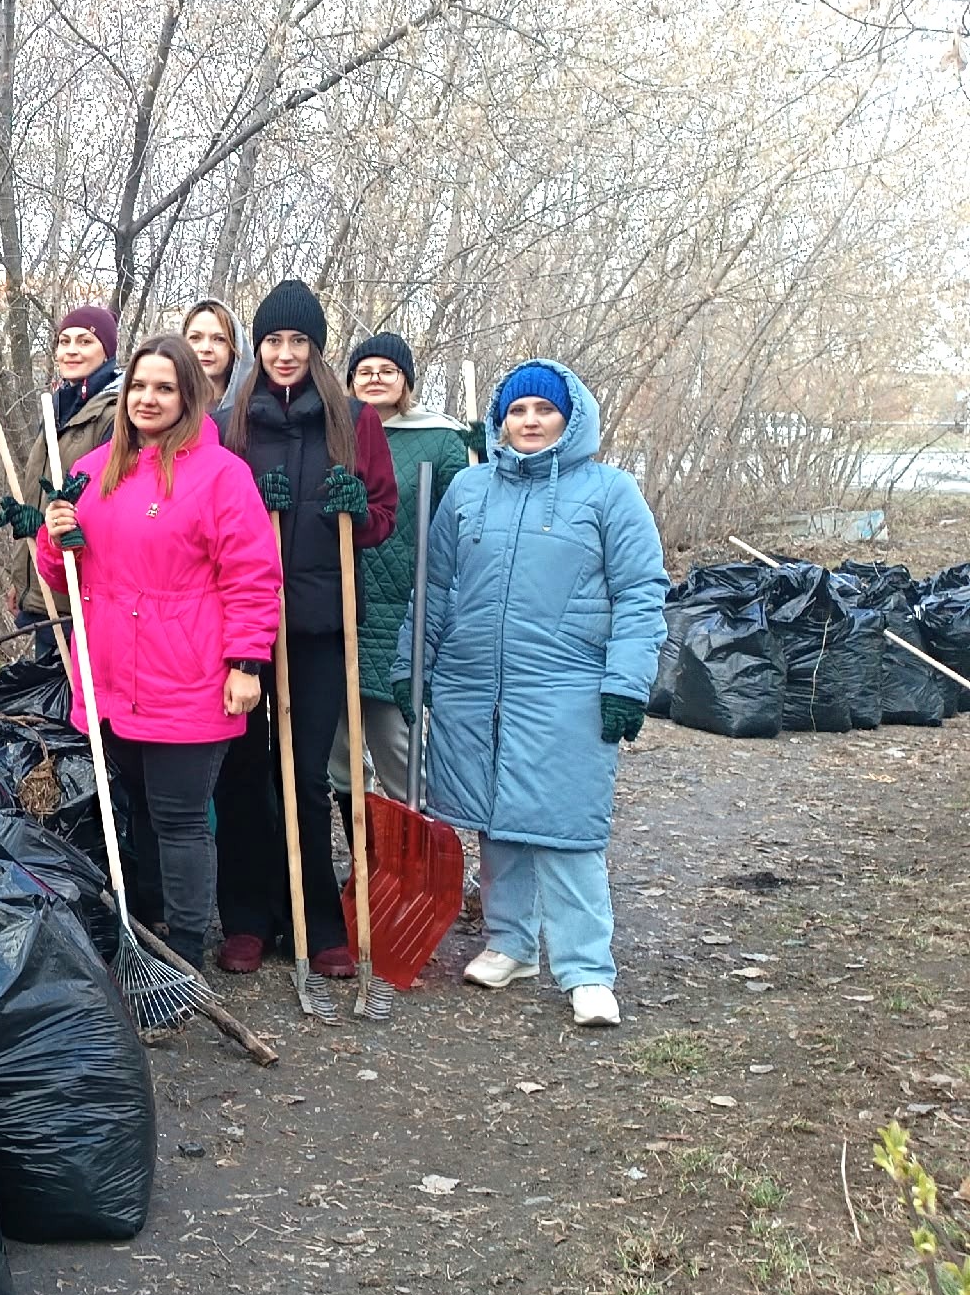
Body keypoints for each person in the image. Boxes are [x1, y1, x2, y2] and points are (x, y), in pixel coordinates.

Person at [399, 361, 663, 1027]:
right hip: (474, 682)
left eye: (544, 410)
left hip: (565, 682)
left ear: (571, 419)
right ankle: (511, 942)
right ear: (500, 421)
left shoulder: (609, 492)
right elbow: (436, 587)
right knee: (495, 820)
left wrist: (625, 683)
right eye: (517, 412)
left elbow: (639, 593)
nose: (530, 422)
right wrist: (414, 666)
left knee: (567, 828)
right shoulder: (468, 491)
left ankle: (587, 969)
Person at [38, 337, 279, 969]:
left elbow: (252, 575)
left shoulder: (222, 475)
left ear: (188, 397)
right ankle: (146, 939)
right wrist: (53, 535)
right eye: (140, 386)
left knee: (180, 820)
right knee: (140, 814)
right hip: (114, 673)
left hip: (188, 674)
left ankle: (186, 954)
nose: (148, 398)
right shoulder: (94, 470)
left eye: (164, 388)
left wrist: (247, 663)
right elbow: (62, 575)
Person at [215, 277, 397, 978]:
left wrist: (353, 509)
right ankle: (248, 918)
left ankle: (319, 922)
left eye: (299, 341)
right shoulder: (232, 423)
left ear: (317, 349)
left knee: (306, 777)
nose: (285, 353)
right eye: (273, 341)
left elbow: (382, 516)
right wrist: (249, 505)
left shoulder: (353, 421)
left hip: (321, 625)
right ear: (257, 348)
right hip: (244, 628)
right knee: (243, 773)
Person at [336, 331, 471, 800]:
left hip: (402, 612)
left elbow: (466, 516)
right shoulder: (336, 434)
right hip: (340, 604)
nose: (375, 379)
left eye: (387, 371)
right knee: (338, 758)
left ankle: (421, 852)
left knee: (398, 747)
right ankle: (371, 862)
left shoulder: (440, 439)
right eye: (365, 371)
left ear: (405, 380)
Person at [0, 306, 123, 662]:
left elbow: (109, 506)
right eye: (64, 341)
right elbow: (41, 492)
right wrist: (23, 578)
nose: (71, 350)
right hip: (45, 583)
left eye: (85, 341)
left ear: (107, 351)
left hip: (83, 594)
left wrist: (49, 528)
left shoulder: (115, 414)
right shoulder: (58, 407)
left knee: (78, 708)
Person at [182, 299, 253, 410]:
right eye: (195, 338)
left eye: (219, 339)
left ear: (234, 347)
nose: (205, 349)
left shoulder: (252, 413)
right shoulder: (165, 412)